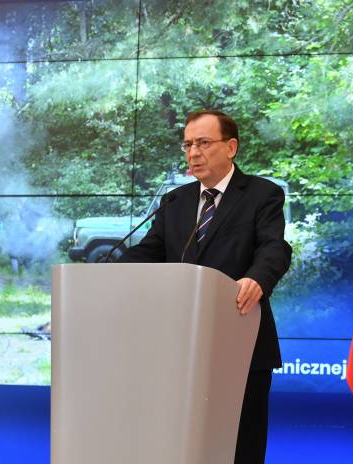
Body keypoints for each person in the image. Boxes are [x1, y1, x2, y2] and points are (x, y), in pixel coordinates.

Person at [118, 109, 292, 464]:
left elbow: (274, 247)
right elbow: (149, 252)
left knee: (240, 446)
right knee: (182, 443)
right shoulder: (175, 201)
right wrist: (104, 273)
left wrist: (258, 278)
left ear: (231, 147)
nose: (193, 153)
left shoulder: (262, 194)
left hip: (240, 337)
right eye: (187, 145)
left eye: (203, 143)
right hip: (180, 346)